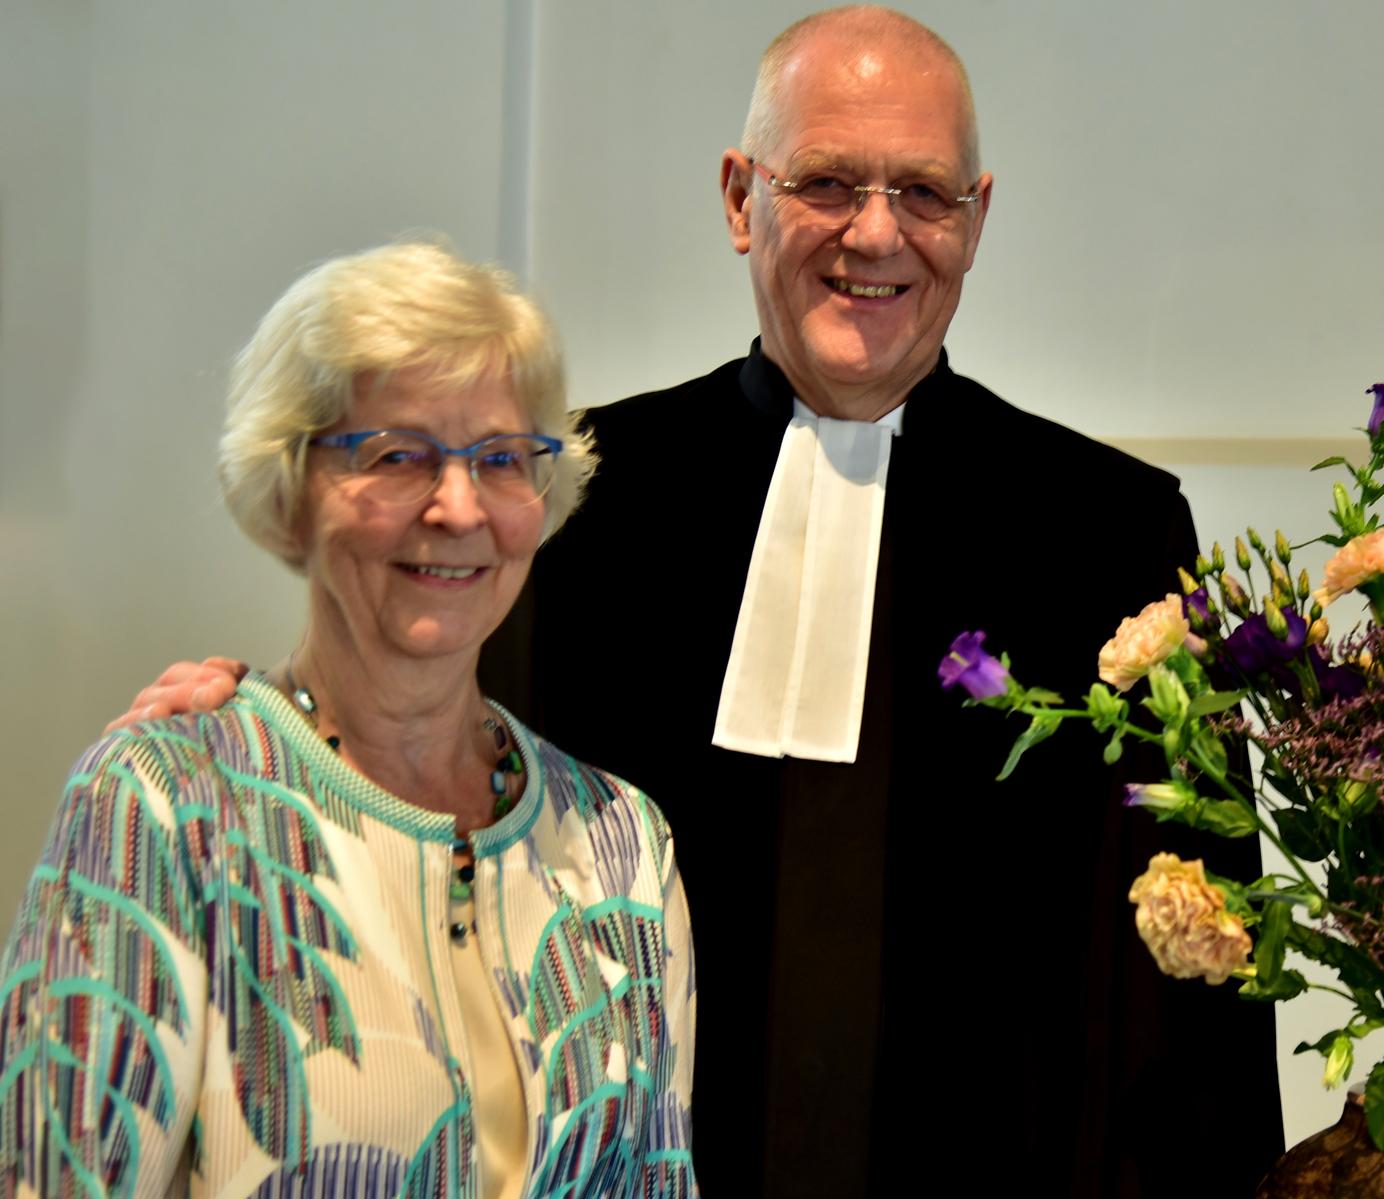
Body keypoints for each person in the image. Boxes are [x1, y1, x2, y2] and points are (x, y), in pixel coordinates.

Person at [112, 8, 1282, 1196]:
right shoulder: (575, 491)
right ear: (741, 198)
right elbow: (412, 759)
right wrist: (255, 722)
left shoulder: (1111, 529)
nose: (876, 232)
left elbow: (1194, 991)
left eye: (923, 193)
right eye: (826, 180)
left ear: (975, 222)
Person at [6, 243, 697, 1197]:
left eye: (500, 458)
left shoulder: (623, 843)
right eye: (397, 455)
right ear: (290, 492)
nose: (457, 508)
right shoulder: (166, 807)